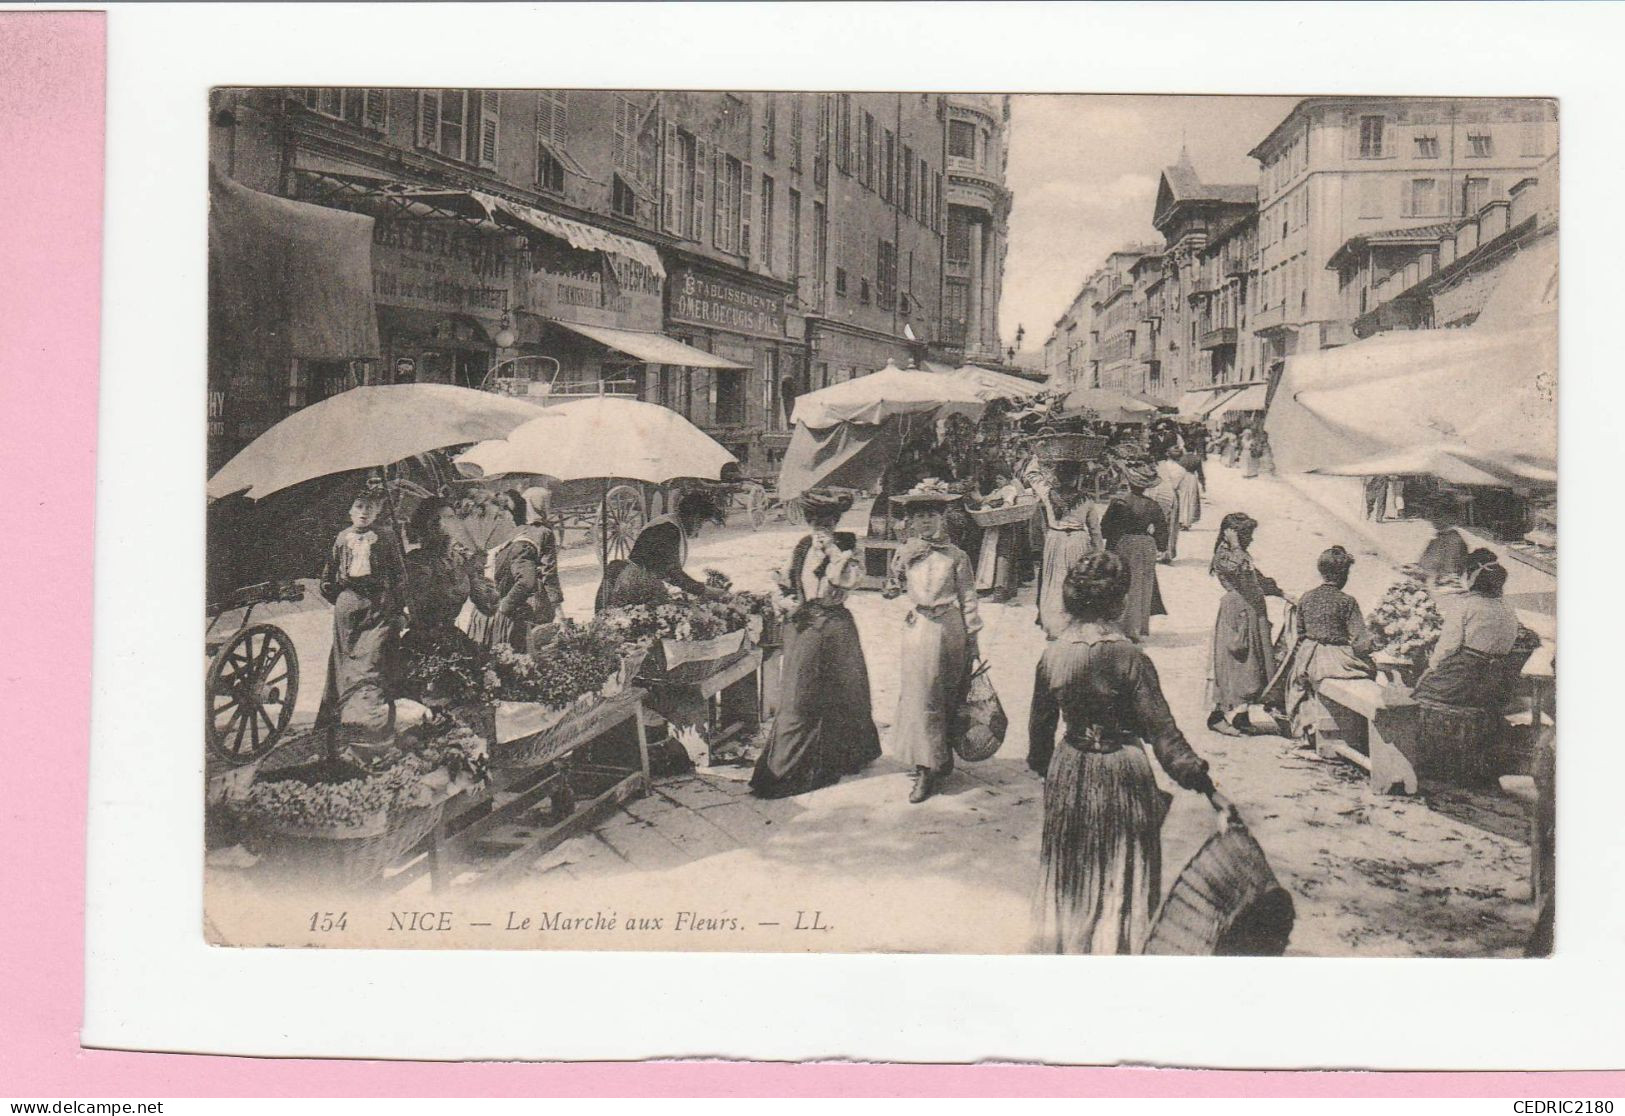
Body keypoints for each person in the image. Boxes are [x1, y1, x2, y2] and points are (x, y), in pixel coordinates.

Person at [1028, 552, 1234, 954]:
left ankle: (1069, 948)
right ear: (1119, 603)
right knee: (1121, 868)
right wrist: (1205, 785)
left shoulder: (1051, 655)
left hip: (1070, 768)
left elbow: (1039, 738)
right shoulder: (1131, 659)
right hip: (1123, 770)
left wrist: (1051, 769)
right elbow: (1164, 735)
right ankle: (1116, 948)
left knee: (1072, 865)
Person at [750, 488, 882, 798]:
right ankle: (787, 765)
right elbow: (785, 582)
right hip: (803, 626)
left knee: (847, 692)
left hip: (835, 626)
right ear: (808, 523)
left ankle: (849, 754)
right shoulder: (801, 547)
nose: (821, 529)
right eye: (815, 523)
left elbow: (849, 582)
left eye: (827, 523)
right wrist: (784, 600)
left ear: (836, 522)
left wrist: (835, 553)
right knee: (799, 695)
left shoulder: (848, 546)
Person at [885, 486, 983, 804]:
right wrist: (897, 570)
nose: (925, 523)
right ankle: (924, 767)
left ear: (941, 518)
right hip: (918, 629)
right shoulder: (906, 553)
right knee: (921, 694)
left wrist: (973, 639)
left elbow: (968, 598)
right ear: (910, 522)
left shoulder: (957, 556)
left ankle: (942, 756)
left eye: (931, 515)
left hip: (950, 627)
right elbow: (892, 588)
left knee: (948, 692)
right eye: (919, 517)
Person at [317, 490, 407, 747]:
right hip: (347, 609)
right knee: (344, 664)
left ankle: (370, 724)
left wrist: (399, 609)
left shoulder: (386, 537)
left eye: (370, 508)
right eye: (358, 506)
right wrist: (343, 599)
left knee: (372, 660)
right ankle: (341, 723)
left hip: (378, 607)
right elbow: (327, 577)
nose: (364, 512)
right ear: (350, 511)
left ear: (378, 512)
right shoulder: (341, 539)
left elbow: (399, 576)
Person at [1267, 546, 1377, 741]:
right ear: (1343, 574)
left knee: (1299, 681)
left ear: (1321, 572)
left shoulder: (1306, 598)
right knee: (1370, 671)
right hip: (1336, 660)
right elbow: (1360, 641)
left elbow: (1300, 633)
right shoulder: (1347, 601)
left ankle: (1306, 729)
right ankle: (1355, 734)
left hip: (1308, 657)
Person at [1206, 512, 1287, 735]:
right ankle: (1217, 717)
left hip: (1252, 613)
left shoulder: (1240, 554)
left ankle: (1242, 716)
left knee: (1253, 667)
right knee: (1235, 666)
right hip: (1237, 615)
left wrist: (1281, 593)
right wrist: (1234, 544)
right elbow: (1233, 568)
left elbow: (1256, 579)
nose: (1250, 539)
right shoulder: (1224, 555)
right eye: (1246, 535)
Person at [1412, 549, 1521, 712]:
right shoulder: (1507, 607)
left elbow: (1448, 647)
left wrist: (1430, 669)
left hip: (1465, 681)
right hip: (1499, 684)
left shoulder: (1465, 605)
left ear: (1471, 576)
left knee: (1421, 692)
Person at [467, 487, 564, 653]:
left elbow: (526, 581)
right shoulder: (493, 543)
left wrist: (502, 608)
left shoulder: (521, 543)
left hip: (503, 615)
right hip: (485, 615)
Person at [1022, 457, 1105, 639]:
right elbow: (1095, 530)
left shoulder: (1047, 492)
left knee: (1054, 582)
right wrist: (1099, 553)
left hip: (1055, 540)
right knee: (1078, 582)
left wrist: (1038, 454)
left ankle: (1054, 625)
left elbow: (1031, 474)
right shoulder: (1087, 500)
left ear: (1057, 476)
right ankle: (1077, 624)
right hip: (1079, 541)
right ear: (1077, 478)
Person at [603, 490, 728, 609]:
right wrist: (705, 590)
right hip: (636, 585)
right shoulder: (668, 529)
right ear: (693, 517)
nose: (699, 529)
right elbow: (673, 574)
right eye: (700, 523)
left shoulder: (670, 524)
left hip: (642, 582)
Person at [403, 497, 497, 635]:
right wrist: (463, 572)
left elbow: (488, 607)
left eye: (450, 518)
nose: (444, 525)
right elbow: (429, 603)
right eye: (436, 520)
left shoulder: (461, 559)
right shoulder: (417, 561)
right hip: (423, 637)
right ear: (425, 525)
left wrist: (480, 573)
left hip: (452, 635)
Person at [1100, 459, 1168, 641]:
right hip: (1146, 545)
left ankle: (1120, 626)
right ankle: (1136, 628)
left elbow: (1105, 528)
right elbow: (1162, 528)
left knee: (1121, 584)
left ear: (1128, 482)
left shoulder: (1119, 502)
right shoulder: (1152, 504)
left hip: (1124, 543)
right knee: (1142, 586)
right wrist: (1161, 546)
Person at [1149, 446, 1188, 563]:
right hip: (1172, 496)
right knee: (1170, 525)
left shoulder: (1160, 467)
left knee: (1155, 523)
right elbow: (1181, 487)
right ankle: (1167, 552)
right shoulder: (1182, 470)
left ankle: (1154, 551)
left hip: (1158, 494)